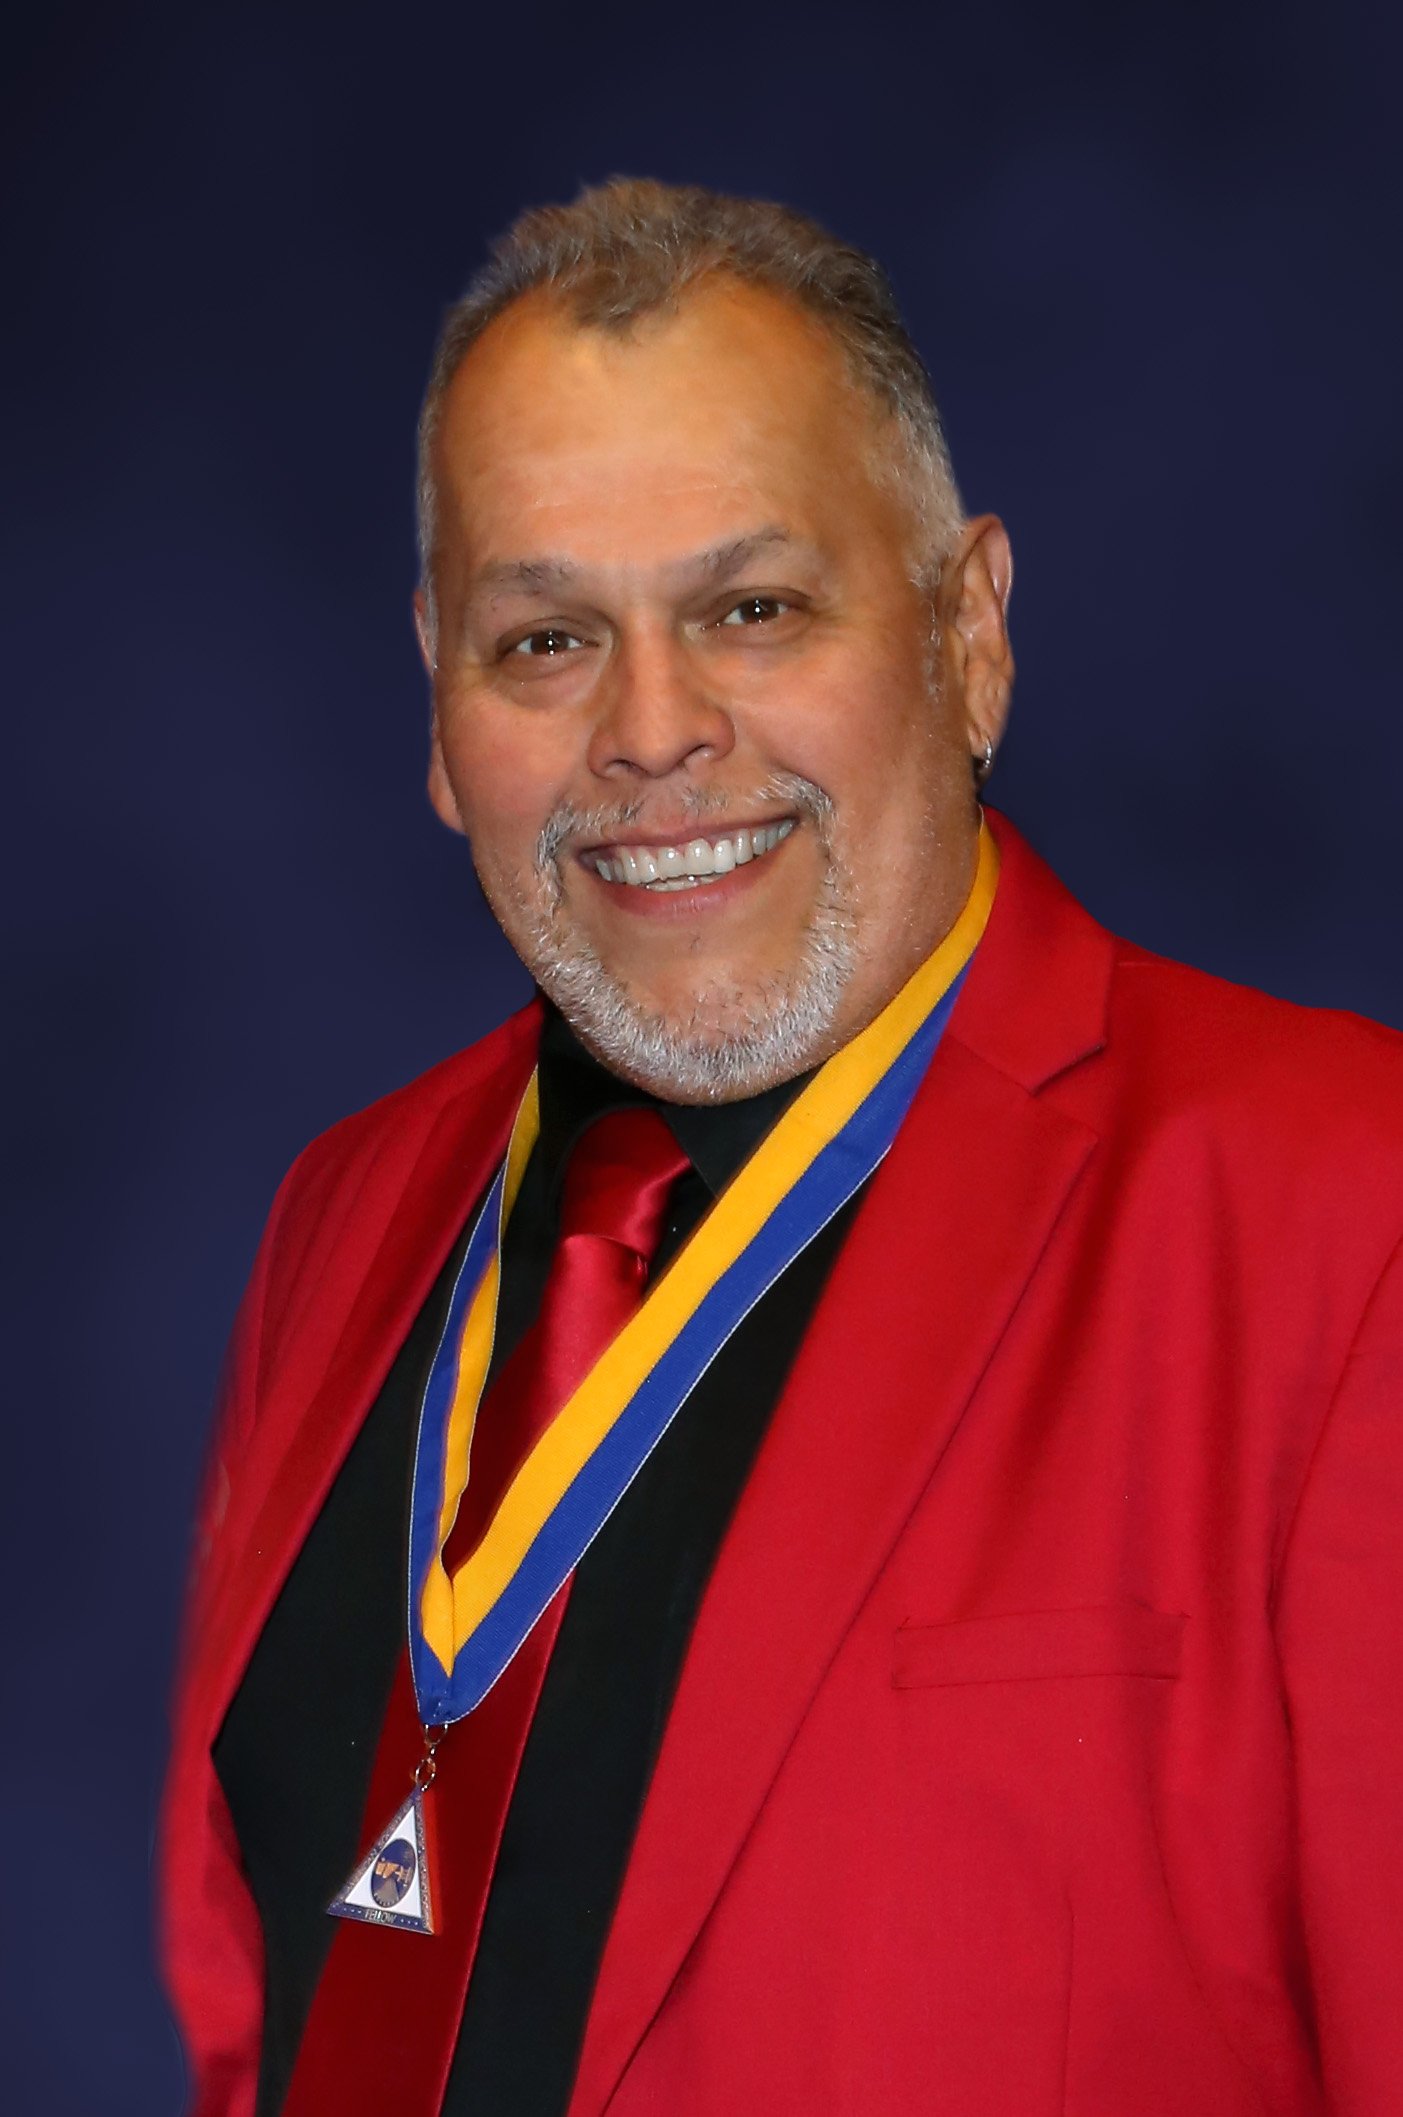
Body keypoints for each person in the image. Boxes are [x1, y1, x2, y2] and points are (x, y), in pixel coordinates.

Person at [158, 180, 1403, 2117]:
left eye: (751, 609)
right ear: (438, 696)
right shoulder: (343, 1218)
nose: (652, 734)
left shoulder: (1344, 1212)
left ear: (969, 634)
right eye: (545, 638)